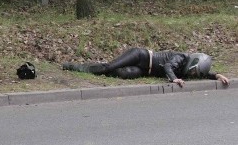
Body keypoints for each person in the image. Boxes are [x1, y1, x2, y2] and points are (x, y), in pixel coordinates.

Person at [62, 48, 229, 88]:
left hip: (144, 71)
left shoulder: (189, 67)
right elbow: (169, 66)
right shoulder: (182, 57)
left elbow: (198, 74)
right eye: (194, 70)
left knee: (121, 74)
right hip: (142, 56)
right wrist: (174, 79)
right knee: (109, 66)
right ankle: (73, 67)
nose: (193, 74)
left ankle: (99, 71)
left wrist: (216, 76)